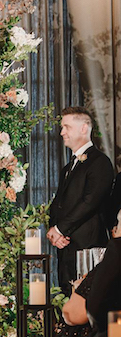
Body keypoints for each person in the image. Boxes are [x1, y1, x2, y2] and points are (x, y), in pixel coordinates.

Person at [48, 107, 114, 295]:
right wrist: (54, 231)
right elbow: (58, 203)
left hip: (89, 249)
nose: (62, 132)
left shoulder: (100, 162)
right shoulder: (68, 168)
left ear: (84, 128)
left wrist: (60, 229)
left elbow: (89, 202)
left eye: (66, 127)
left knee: (87, 304)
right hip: (66, 248)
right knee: (66, 299)